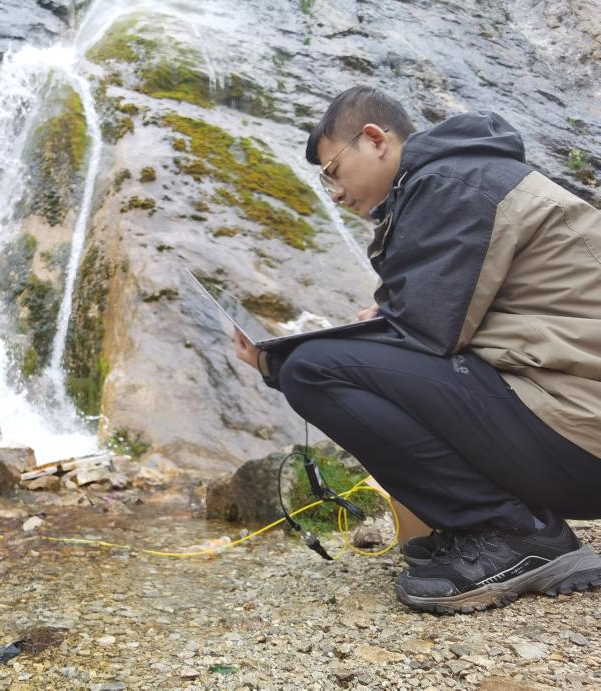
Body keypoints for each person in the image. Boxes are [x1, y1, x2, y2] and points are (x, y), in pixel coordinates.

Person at [234, 85, 601, 614]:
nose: (332, 192)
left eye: (332, 171)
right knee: (323, 362)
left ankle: (514, 534)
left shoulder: (454, 183)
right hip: (570, 426)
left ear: (375, 140)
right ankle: (485, 525)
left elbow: (423, 336)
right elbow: (436, 326)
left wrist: (275, 358)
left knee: (313, 369)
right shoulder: (459, 179)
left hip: (577, 433)